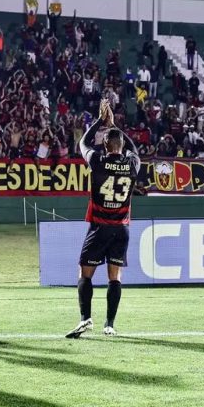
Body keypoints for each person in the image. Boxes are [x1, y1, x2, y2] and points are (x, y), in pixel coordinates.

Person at [66, 100, 141, 339]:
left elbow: (83, 142)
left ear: (106, 145)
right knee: (115, 276)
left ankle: (85, 317)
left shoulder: (98, 160)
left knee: (84, 272)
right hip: (121, 228)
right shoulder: (132, 163)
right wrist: (116, 125)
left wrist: (100, 121)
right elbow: (135, 150)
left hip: (100, 226)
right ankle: (109, 323)